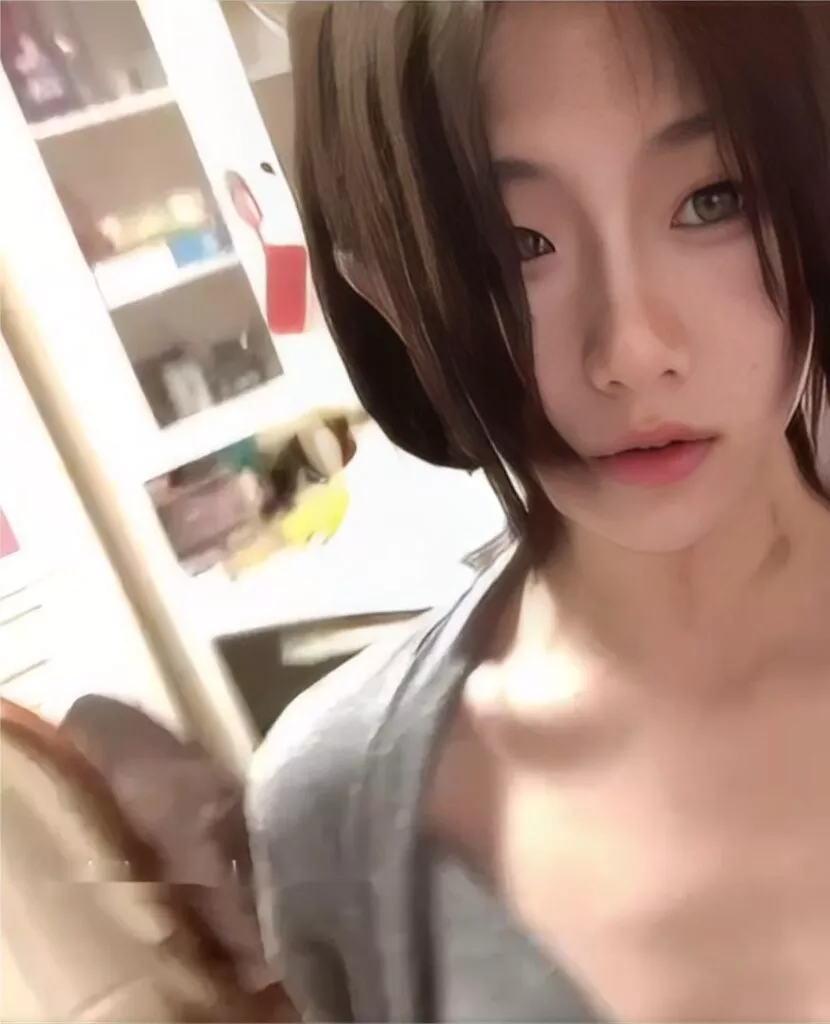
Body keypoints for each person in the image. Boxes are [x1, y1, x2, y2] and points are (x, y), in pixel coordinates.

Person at [247, 3, 830, 1021]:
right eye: (508, 243)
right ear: (383, 288)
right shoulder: (337, 804)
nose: (630, 350)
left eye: (714, 198)